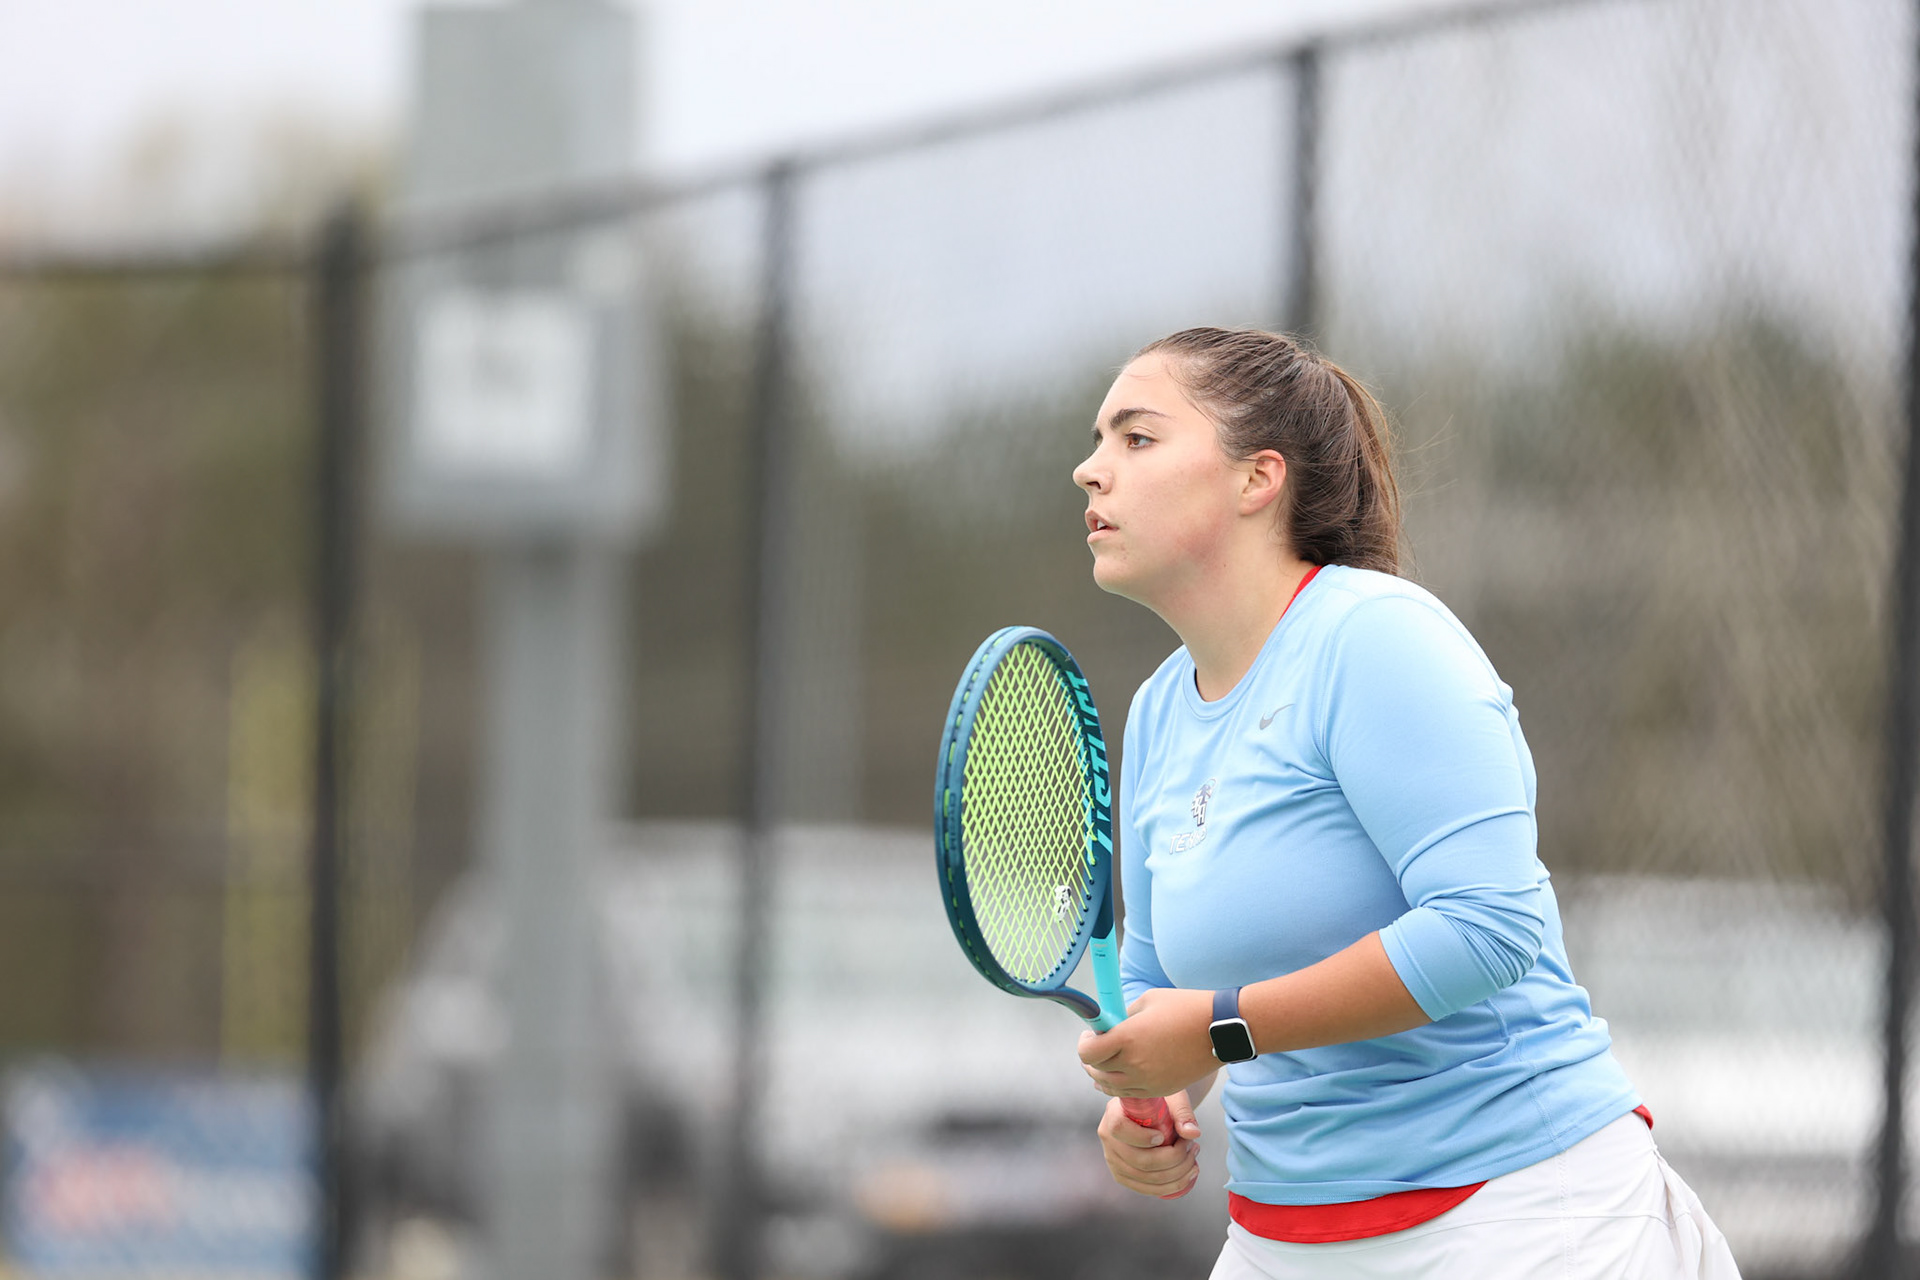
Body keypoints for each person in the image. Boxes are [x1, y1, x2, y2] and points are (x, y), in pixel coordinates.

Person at [1069, 327, 1740, 1279]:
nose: (1090, 471)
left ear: (1258, 479)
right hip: (1281, 1237)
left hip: (1528, 1214)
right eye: (1100, 441)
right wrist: (1162, 1096)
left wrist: (1220, 1029)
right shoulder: (1159, 711)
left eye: (1136, 439)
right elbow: (1158, 996)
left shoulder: (1376, 639)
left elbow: (1488, 928)